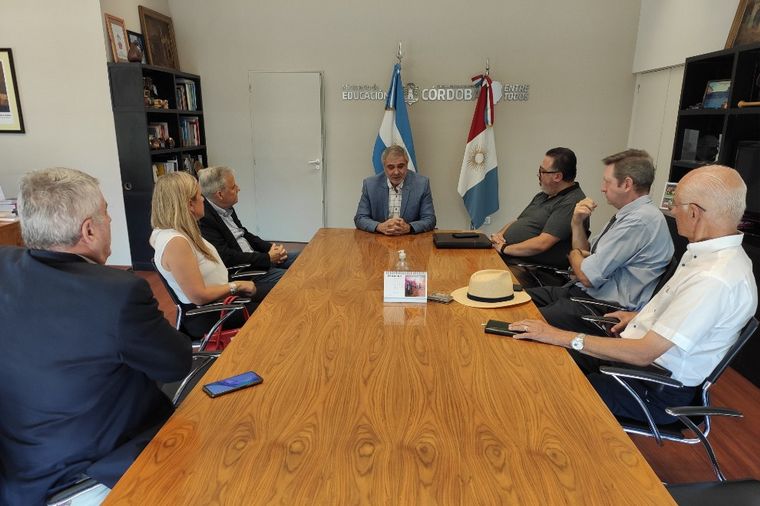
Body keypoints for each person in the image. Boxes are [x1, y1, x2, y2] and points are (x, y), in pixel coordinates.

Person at [0, 168, 191, 505]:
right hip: (91, 476)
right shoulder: (116, 293)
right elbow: (176, 363)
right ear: (89, 230)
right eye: (106, 211)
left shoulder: (4, 263)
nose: (110, 220)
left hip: (20, 476)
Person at [509, 165, 757, 423]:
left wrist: (558, 335)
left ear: (694, 212)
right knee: (541, 358)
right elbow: (691, 320)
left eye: (675, 204)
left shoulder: (714, 278)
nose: (671, 211)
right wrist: (640, 317)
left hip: (652, 387)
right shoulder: (711, 256)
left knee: (542, 384)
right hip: (636, 364)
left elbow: (644, 353)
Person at [526, 149, 674, 333]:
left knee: (521, 319)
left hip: (601, 307)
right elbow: (587, 257)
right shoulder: (629, 215)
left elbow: (587, 275)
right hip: (582, 293)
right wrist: (577, 223)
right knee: (516, 299)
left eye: (607, 181)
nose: (603, 188)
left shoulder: (639, 221)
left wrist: (575, 255)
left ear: (627, 184)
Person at [150, 171, 258, 338]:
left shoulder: (178, 233)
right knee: (276, 307)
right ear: (189, 204)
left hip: (222, 302)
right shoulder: (176, 243)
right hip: (211, 314)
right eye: (200, 196)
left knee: (278, 295)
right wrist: (237, 286)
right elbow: (199, 296)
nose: (203, 200)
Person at [198, 166, 298, 291]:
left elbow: (243, 233)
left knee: (303, 258)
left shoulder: (225, 206)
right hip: (247, 272)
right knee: (297, 278)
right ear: (220, 194)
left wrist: (271, 248)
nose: (238, 188)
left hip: (257, 259)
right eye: (233, 187)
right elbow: (227, 257)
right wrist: (267, 258)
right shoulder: (204, 219)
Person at [490, 147, 586, 268]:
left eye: (542, 171)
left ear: (557, 176)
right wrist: (500, 235)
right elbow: (519, 221)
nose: (538, 175)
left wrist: (504, 248)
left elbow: (542, 243)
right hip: (509, 257)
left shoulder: (571, 202)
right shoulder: (543, 195)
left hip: (530, 267)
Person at [354, 145, 436, 235]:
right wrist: (379, 226)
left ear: (407, 164)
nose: (396, 172)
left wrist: (409, 227)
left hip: (410, 238)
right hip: (379, 238)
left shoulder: (422, 184)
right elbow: (360, 218)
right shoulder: (370, 185)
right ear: (384, 167)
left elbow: (430, 219)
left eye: (400, 166)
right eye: (391, 167)